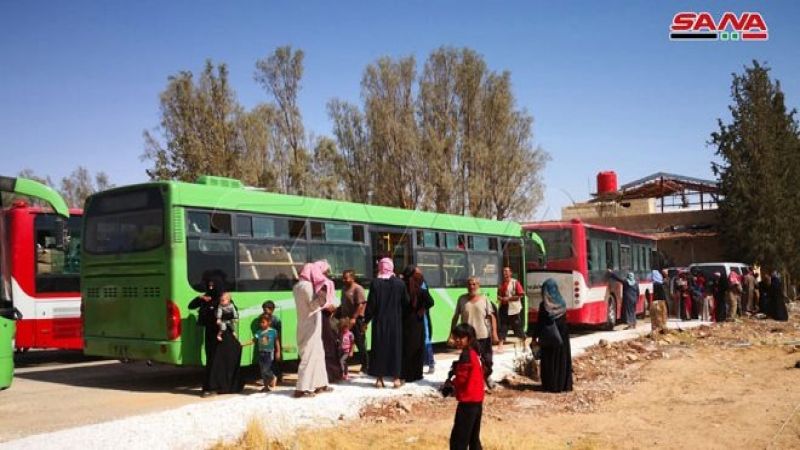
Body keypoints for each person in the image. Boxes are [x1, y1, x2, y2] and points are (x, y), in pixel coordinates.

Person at [364, 258, 408, 388]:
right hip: (395, 322)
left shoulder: (375, 283)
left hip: (380, 321)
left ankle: (379, 379)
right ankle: (396, 379)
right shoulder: (400, 283)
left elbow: (371, 305)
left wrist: (366, 320)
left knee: (379, 348)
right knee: (395, 348)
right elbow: (405, 303)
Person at [293, 261, 334, 398]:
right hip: (309, 326)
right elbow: (312, 305)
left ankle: (320, 383)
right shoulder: (307, 286)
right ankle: (302, 388)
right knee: (309, 356)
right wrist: (322, 295)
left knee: (318, 354)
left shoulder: (298, 285)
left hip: (308, 325)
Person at [451, 277, 499, 388]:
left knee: (487, 361)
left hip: (483, 335)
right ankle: (476, 382)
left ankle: (487, 377)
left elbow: (492, 317)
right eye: (469, 284)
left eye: (474, 284)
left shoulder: (484, 299)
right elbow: (455, 317)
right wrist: (452, 336)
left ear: (478, 286)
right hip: (468, 338)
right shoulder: (462, 299)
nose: (471, 286)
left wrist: (495, 333)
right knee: (471, 361)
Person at [443, 323, 484, 450]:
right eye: (456, 338)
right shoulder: (474, 352)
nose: (457, 341)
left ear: (469, 338)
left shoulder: (466, 355)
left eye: (461, 338)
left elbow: (462, 379)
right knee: (473, 438)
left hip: (468, 401)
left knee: (458, 439)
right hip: (477, 401)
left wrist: (451, 384)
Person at [535, 278, 573, 393]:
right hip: (562, 337)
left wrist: (534, 337)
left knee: (549, 361)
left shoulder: (544, 306)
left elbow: (540, 323)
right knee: (562, 360)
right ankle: (563, 385)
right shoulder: (562, 304)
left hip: (549, 339)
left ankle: (550, 385)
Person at [188, 272, 223, 396]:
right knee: (210, 359)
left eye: (213, 286)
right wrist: (200, 298)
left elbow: (230, 314)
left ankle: (213, 387)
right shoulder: (206, 297)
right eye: (209, 285)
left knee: (215, 360)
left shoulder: (222, 299)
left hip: (220, 334)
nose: (211, 288)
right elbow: (190, 306)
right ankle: (209, 386)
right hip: (209, 332)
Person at [401, 265, 435, 383]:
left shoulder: (402, 287)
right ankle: (417, 374)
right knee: (417, 348)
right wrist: (423, 309)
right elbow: (431, 302)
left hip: (405, 322)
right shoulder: (421, 290)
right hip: (417, 322)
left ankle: (407, 374)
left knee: (406, 348)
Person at [207, 290, 243, 394]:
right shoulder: (218, 307)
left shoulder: (231, 307)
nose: (222, 301)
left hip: (227, 337)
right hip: (224, 338)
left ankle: (224, 385)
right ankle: (225, 385)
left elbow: (234, 318)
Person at [340, 270, 368, 374]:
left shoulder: (358, 289)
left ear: (352, 278)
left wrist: (354, 318)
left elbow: (360, 305)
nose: (344, 280)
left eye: (346, 278)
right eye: (343, 277)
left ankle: (365, 366)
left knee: (360, 343)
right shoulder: (344, 289)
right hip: (345, 320)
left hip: (356, 320)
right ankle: (343, 366)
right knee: (345, 343)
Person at [245, 315, 280, 391]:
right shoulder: (259, 332)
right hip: (261, 353)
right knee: (262, 371)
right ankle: (266, 386)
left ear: (269, 322)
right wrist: (243, 344)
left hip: (269, 353)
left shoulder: (273, 331)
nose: (262, 324)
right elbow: (254, 340)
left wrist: (278, 352)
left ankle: (273, 377)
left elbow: (277, 342)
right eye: (260, 323)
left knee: (266, 369)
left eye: (263, 322)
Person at [497, 266, 526, 348]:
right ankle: (501, 343)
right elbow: (498, 295)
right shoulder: (501, 284)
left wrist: (509, 298)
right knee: (503, 325)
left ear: (510, 273)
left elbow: (521, 295)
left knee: (517, 326)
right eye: (504, 271)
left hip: (513, 309)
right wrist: (500, 298)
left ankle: (523, 340)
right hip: (504, 307)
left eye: (507, 271)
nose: (505, 273)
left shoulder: (515, 282)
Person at [261, 301, 283, 382]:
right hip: (265, 344)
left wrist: (278, 350)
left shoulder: (275, 320)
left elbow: (278, 336)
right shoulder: (262, 318)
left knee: (275, 361)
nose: (264, 311)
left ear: (272, 310)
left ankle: (277, 377)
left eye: (266, 310)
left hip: (274, 343)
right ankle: (270, 379)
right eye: (263, 309)